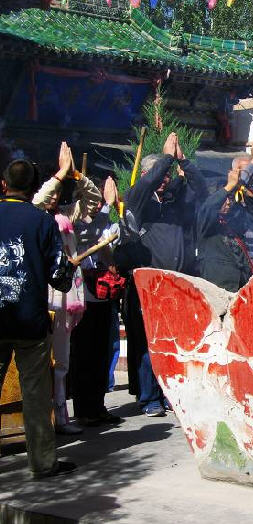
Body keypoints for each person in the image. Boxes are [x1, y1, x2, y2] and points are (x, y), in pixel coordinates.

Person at [0, 158, 77, 479]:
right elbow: (59, 276)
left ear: (4, 185)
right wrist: (69, 268)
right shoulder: (42, 222)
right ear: (33, 189)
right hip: (30, 321)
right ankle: (43, 463)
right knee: (35, 395)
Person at [121, 132, 207, 417]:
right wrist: (167, 158)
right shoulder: (138, 200)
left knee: (174, 340)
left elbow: (201, 188)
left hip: (176, 281)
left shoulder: (174, 201)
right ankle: (150, 397)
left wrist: (182, 160)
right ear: (148, 174)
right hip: (149, 284)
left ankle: (170, 391)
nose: (165, 179)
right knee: (149, 341)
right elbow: (147, 184)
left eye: (167, 175)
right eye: (160, 174)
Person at [33, 142, 102, 435]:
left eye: (58, 192)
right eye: (52, 188)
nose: (54, 197)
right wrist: (60, 174)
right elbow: (39, 199)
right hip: (40, 297)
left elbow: (93, 200)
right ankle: (40, 420)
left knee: (61, 362)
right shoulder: (33, 214)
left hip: (64, 296)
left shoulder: (66, 216)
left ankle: (61, 417)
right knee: (38, 364)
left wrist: (76, 175)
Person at [69, 175, 122, 426]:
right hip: (83, 299)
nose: (95, 204)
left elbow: (109, 239)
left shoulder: (102, 223)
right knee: (84, 354)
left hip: (103, 296)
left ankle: (98, 405)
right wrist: (107, 206)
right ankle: (83, 408)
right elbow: (91, 236)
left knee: (102, 353)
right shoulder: (73, 224)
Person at [196, 156, 253, 292]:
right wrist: (228, 187)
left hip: (238, 286)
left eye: (230, 198)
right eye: (224, 198)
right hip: (217, 287)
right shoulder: (206, 222)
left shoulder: (229, 220)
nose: (228, 202)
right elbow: (208, 207)